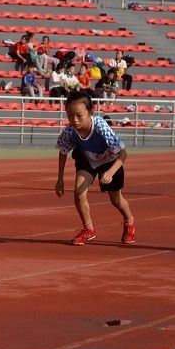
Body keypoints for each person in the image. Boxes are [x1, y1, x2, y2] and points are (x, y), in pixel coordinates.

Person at [54, 91, 136, 246]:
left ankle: (129, 221)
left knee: (116, 200)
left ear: (90, 112)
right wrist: (60, 179)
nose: (74, 120)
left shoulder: (100, 127)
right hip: (88, 159)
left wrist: (111, 173)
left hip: (111, 160)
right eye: (70, 115)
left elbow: (123, 154)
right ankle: (88, 229)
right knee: (78, 193)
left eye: (79, 115)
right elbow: (63, 152)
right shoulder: (70, 131)